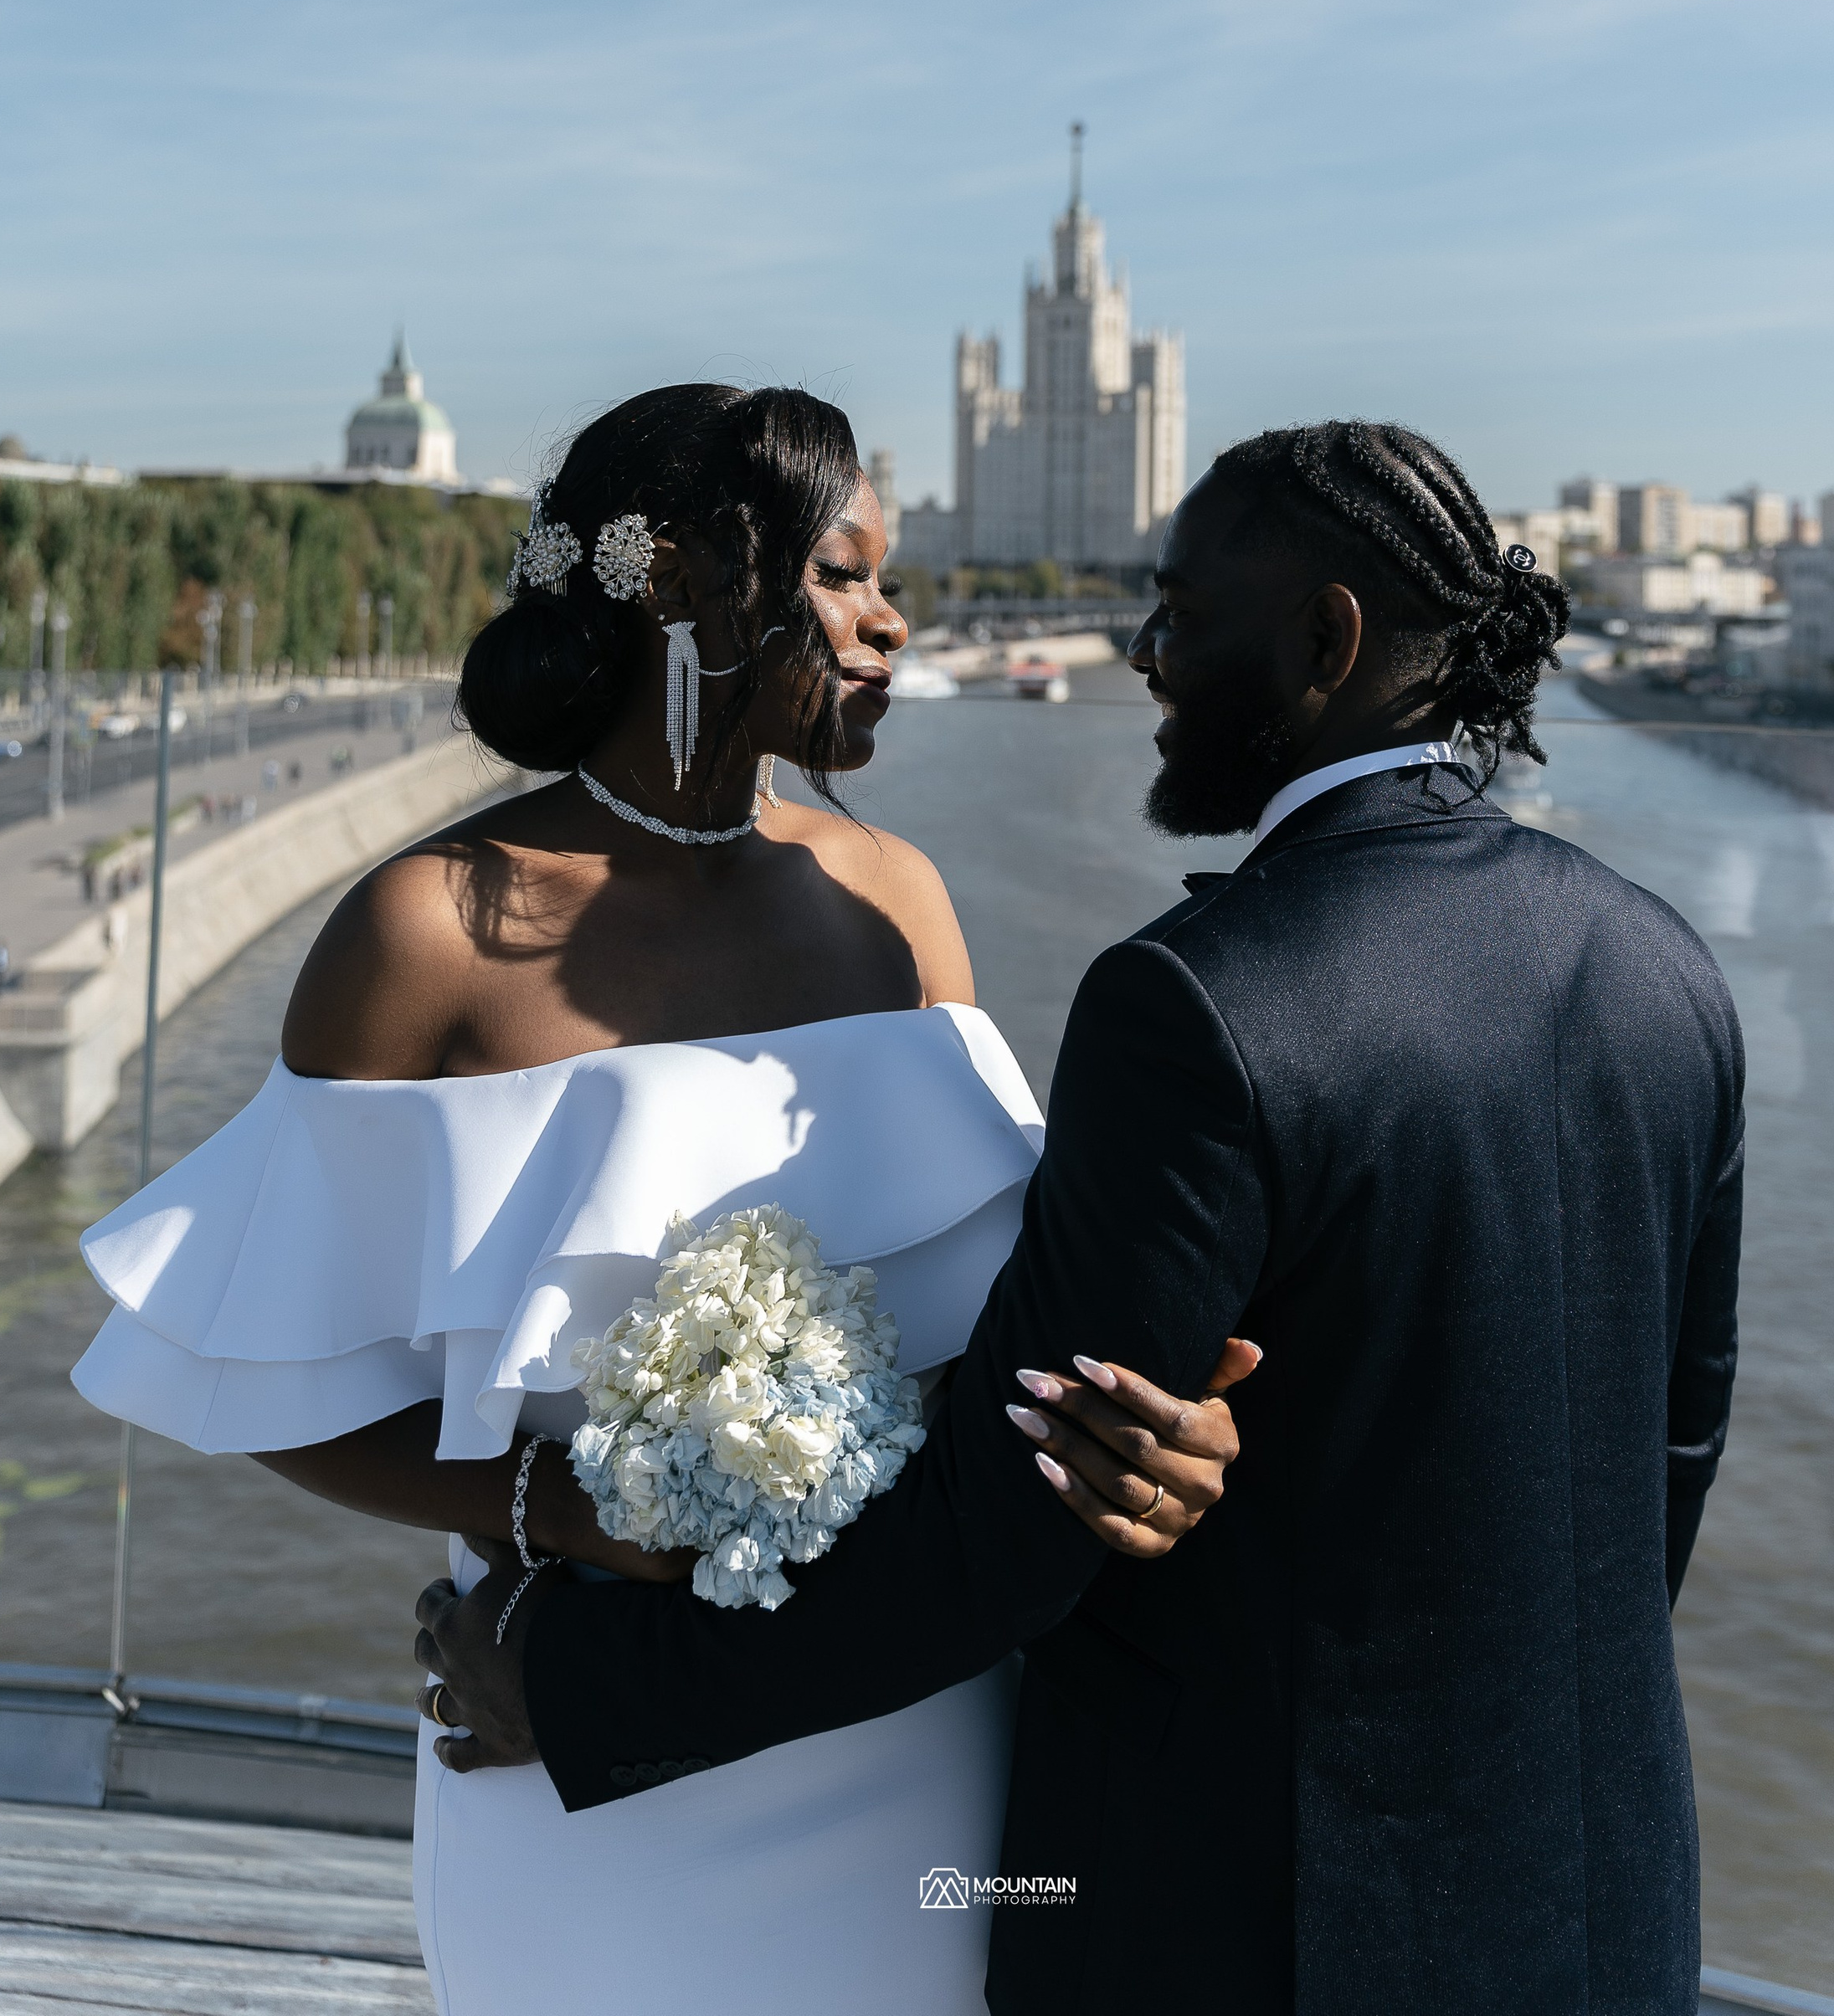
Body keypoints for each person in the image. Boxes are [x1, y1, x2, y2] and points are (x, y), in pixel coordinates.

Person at [424, 417, 1746, 2016]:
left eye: (1184, 617)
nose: (1142, 655)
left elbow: (1008, 1535)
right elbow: (1671, 1456)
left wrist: (567, 1686)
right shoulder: (1667, 969)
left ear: (1326, 643)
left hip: (1257, 1930)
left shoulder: (1203, 1006)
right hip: (1598, 1915)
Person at [72, 384, 1246, 2016]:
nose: (892, 624)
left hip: (918, 1725)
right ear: (681, 581)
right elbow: (252, 1367)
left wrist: (1151, 1437)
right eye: (843, 579)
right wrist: (569, 1516)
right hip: (568, 1718)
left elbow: (1002, 1332)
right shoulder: (424, 937)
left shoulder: (898, 899)